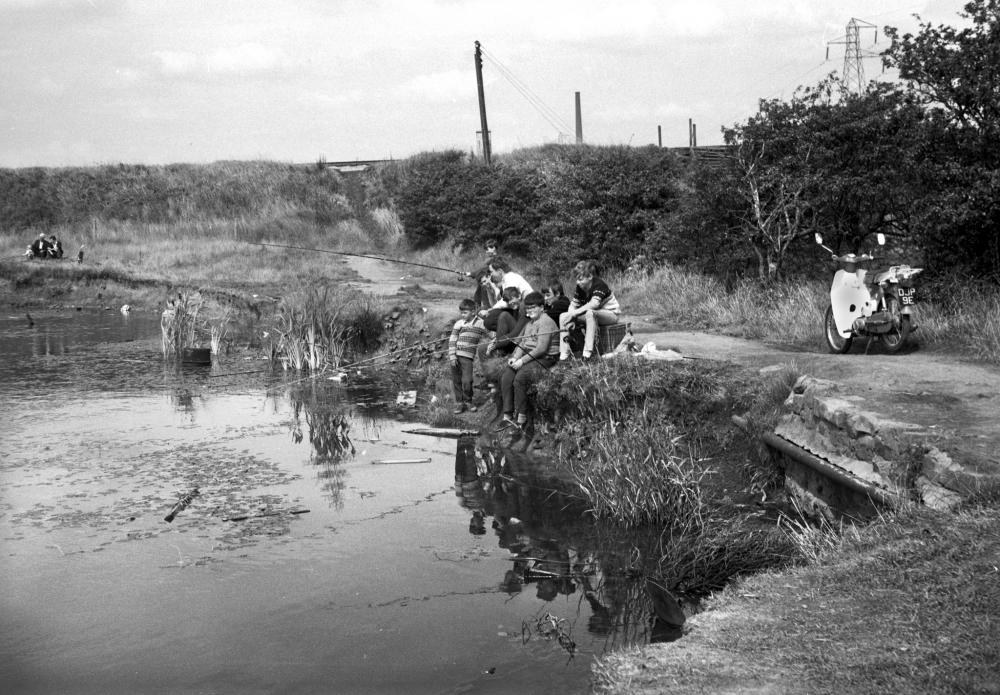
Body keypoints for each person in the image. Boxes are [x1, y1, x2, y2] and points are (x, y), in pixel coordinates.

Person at [496, 291, 559, 431]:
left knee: (520, 377)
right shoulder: (529, 323)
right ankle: (507, 414)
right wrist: (515, 358)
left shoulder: (546, 322)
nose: (530, 310)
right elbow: (522, 344)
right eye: (528, 308)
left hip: (546, 358)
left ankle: (521, 417)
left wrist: (522, 361)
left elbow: (541, 349)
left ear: (542, 307)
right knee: (506, 376)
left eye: (533, 307)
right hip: (530, 356)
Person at [559, 260, 620, 361]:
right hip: (593, 315)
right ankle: (564, 355)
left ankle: (587, 353)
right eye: (577, 280)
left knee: (590, 312)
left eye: (580, 279)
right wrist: (570, 318)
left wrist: (574, 314)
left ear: (590, 276)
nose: (577, 282)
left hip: (611, 315)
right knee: (563, 316)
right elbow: (573, 305)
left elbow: (594, 304)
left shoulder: (599, 284)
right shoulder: (580, 288)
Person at [448, 298, 489, 413]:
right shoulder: (459, 324)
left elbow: (489, 333)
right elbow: (452, 340)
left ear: (473, 312)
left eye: (465, 313)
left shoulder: (480, 323)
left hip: (467, 357)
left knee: (467, 381)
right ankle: (459, 403)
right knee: (456, 380)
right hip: (455, 355)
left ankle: (468, 401)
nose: (462, 315)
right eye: (461, 312)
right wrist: (452, 355)